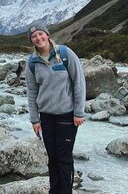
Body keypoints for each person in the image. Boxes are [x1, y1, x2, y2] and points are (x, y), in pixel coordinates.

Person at [25, 22, 86, 194]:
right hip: (46, 117)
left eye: (40, 34)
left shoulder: (66, 54)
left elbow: (79, 82)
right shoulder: (32, 62)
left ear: (47, 34)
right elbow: (32, 92)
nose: (38, 38)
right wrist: (34, 119)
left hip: (67, 116)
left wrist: (79, 112)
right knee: (52, 159)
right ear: (32, 41)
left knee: (64, 158)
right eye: (34, 36)